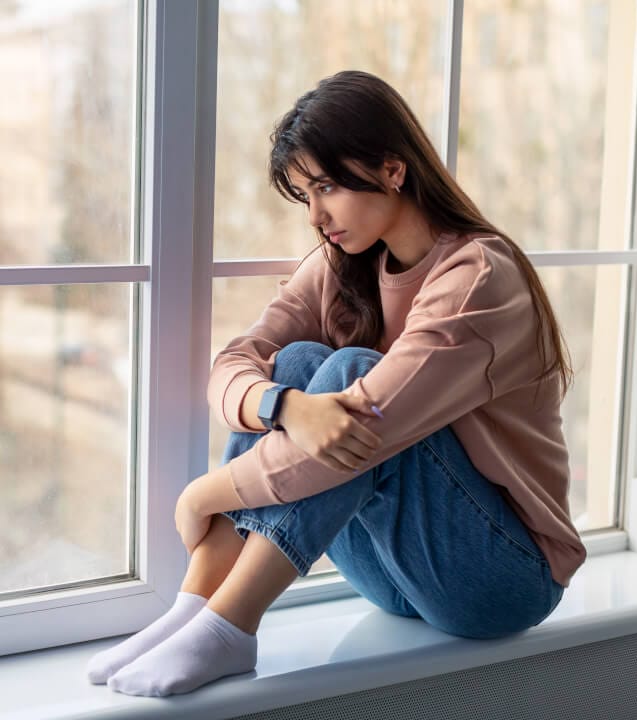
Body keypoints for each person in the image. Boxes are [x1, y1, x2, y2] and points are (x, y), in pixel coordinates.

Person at [87, 70, 586, 697]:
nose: (317, 216)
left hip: (498, 579)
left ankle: (229, 627)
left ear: (393, 169)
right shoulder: (343, 262)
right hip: (394, 577)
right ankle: (196, 607)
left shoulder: (478, 277)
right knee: (295, 364)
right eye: (304, 195)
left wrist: (203, 495)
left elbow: (368, 421)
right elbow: (234, 362)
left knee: (352, 376)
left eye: (326, 186)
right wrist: (282, 403)